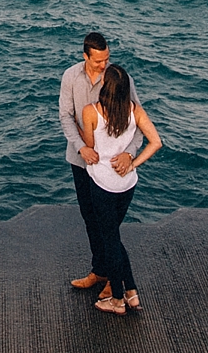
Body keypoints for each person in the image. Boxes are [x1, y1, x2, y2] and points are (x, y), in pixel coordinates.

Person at [59, 33, 140, 297]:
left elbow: (138, 120)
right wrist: (81, 147)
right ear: (85, 56)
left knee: (110, 228)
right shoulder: (70, 77)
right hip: (81, 161)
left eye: (107, 59)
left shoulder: (118, 79)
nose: (103, 65)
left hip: (110, 168)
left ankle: (116, 283)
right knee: (89, 217)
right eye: (98, 61)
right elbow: (66, 117)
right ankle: (100, 270)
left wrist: (129, 153)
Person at [81, 64, 161, 314]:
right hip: (127, 184)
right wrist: (132, 162)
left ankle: (117, 299)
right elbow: (156, 142)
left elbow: (90, 149)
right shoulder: (134, 110)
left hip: (103, 184)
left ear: (106, 86)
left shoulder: (91, 112)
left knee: (110, 241)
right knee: (113, 237)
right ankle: (131, 292)